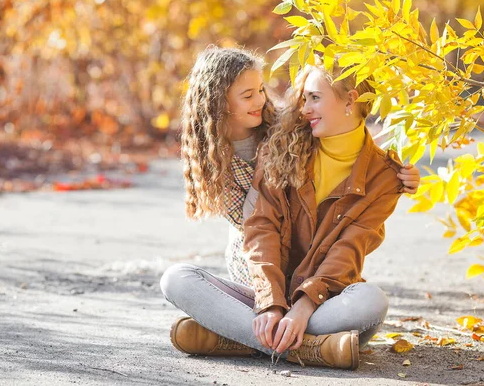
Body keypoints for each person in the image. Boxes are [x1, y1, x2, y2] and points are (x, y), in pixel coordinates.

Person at [160, 50, 419, 370]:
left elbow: (349, 249)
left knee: (371, 302)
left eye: (313, 98)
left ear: (350, 100)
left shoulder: (372, 171)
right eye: (304, 98)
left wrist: (301, 308)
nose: (304, 108)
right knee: (176, 279)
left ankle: (237, 337)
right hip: (259, 282)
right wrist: (270, 305)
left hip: (320, 295)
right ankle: (313, 349)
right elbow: (259, 227)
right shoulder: (271, 147)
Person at [179, 46, 419, 287]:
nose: (260, 100)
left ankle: (281, 316)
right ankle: (261, 314)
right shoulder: (214, 163)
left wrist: (396, 175)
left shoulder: (283, 124)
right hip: (254, 256)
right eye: (248, 95)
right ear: (219, 101)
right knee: (183, 280)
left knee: (358, 298)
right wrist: (264, 172)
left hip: (309, 248)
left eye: (261, 90)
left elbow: (342, 133)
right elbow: (252, 224)